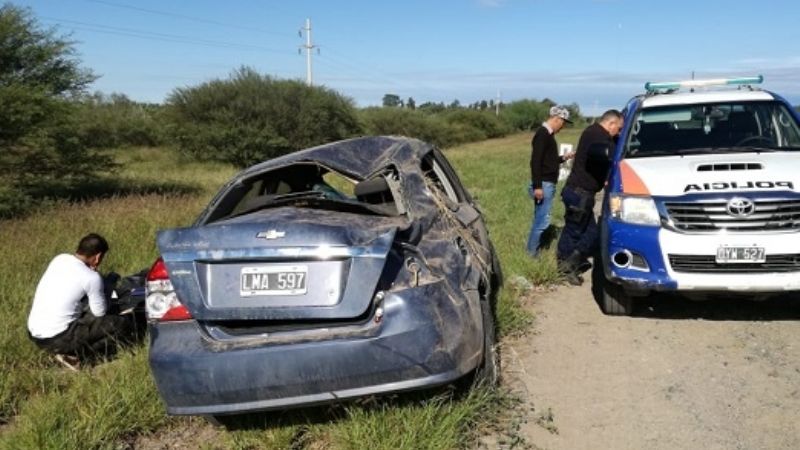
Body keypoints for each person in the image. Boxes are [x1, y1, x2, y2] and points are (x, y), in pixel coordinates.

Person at [27, 233, 132, 370]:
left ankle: (65, 351)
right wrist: (108, 287)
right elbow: (100, 313)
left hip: (35, 334)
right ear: (98, 256)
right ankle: (77, 356)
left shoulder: (59, 259)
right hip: (59, 338)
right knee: (120, 324)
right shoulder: (91, 278)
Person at [556, 109, 624, 285]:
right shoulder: (596, 135)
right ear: (611, 123)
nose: (619, 132)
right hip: (579, 193)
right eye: (619, 129)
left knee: (592, 233)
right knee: (574, 231)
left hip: (581, 193)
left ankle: (574, 260)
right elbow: (610, 153)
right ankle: (565, 267)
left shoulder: (596, 133)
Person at [527, 105, 576, 256]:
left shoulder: (548, 135)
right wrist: (537, 186)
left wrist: (564, 158)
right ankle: (532, 254)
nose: (563, 126)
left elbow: (548, 160)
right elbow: (535, 161)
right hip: (544, 184)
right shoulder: (543, 134)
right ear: (556, 119)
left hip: (546, 184)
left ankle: (532, 250)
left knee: (539, 219)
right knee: (542, 222)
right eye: (563, 122)